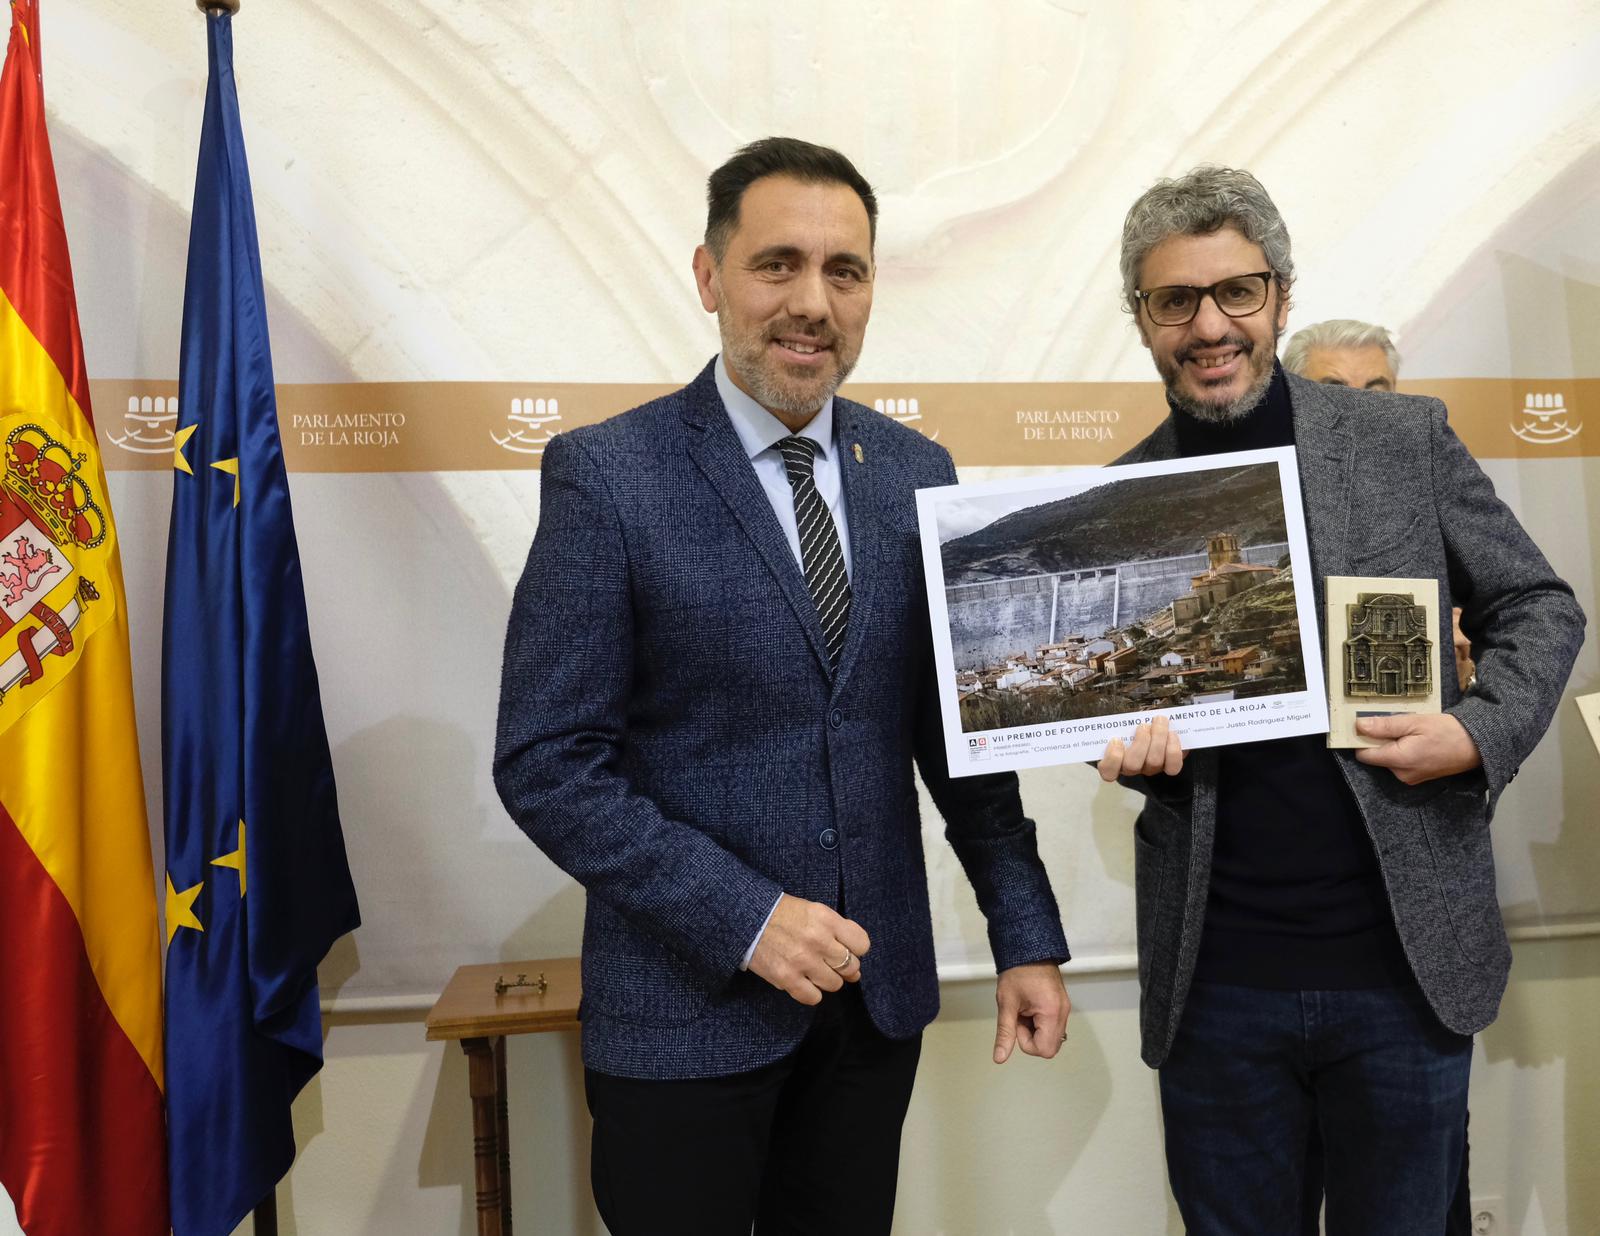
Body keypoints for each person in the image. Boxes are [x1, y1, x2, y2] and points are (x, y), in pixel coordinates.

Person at [493, 136, 1071, 1236]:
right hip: (685, 1017)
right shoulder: (607, 475)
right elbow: (548, 764)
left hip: (869, 1016)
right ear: (709, 277)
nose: (812, 303)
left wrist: (1025, 933)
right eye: (778, 265)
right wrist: (745, 917)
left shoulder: (917, 474)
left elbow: (959, 741)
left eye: (844, 271)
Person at [1097, 165, 1585, 1235]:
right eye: (1175, 300)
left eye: (1236, 291)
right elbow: (1114, 700)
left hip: (1401, 971)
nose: (1209, 325)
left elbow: (1539, 606)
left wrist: (1476, 732)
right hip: (1215, 985)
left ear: (1279, 297)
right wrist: (1119, 743)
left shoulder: (1397, 440)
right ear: (1142, 318)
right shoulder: (1122, 495)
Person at [1284, 318, 1475, 692]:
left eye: (1376, 393)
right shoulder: (1276, 487)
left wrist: (1468, 670)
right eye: (1334, 394)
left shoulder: (1432, 471)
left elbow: (1519, 602)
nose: (1360, 411)